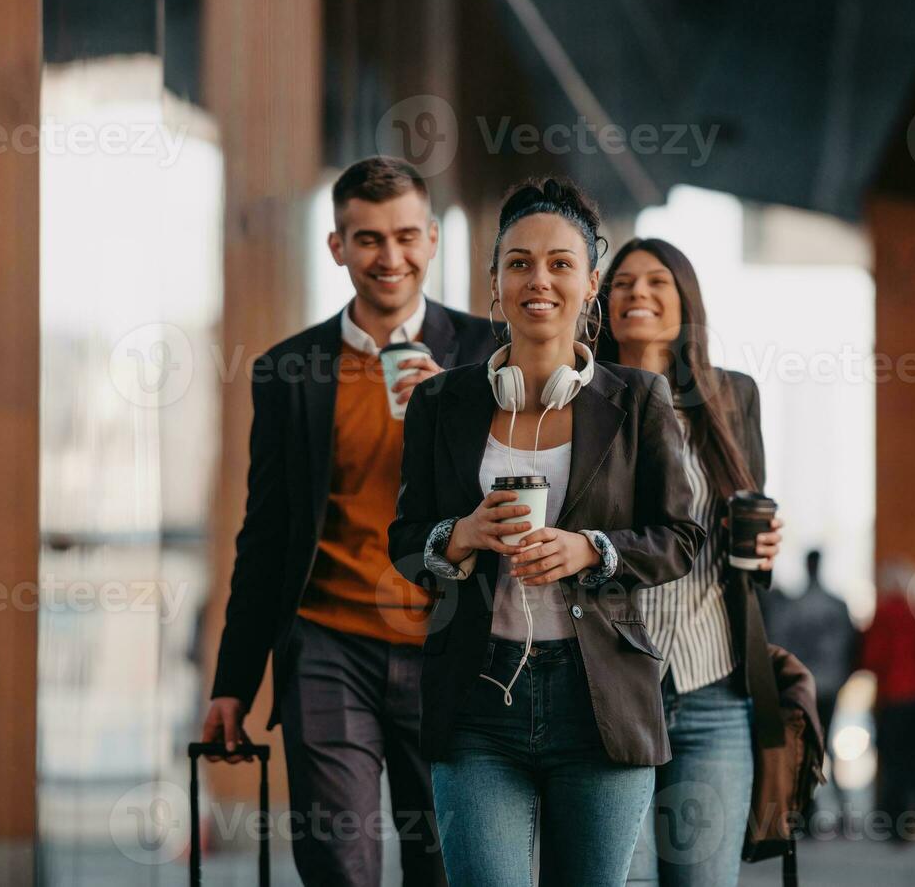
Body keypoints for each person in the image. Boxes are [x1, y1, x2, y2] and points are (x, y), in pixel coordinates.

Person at [389, 178, 702, 886]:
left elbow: (683, 535)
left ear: (591, 283)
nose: (540, 279)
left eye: (561, 263)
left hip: (601, 704)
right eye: (520, 262)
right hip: (476, 699)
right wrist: (461, 535)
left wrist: (592, 548)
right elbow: (405, 540)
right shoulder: (441, 403)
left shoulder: (639, 401)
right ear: (494, 282)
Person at [202, 156, 496, 887]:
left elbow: (524, 493)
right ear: (338, 247)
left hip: (448, 643)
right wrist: (232, 683)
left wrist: (454, 411)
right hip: (329, 646)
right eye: (367, 239)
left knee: (449, 862)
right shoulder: (287, 370)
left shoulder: (488, 354)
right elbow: (263, 536)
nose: (388, 258)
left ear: (430, 239)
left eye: (404, 237)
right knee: (338, 862)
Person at [597, 237, 783, 887]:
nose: (637, 294)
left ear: (685, 304)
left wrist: (762, 550)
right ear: (603, 301)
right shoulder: (580, 401)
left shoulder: (733, 399)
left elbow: (744, 538)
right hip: (610, 693)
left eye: (656, 282)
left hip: (714, 691)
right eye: (622, 283)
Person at [762, 549, 858, 818]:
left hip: (805, 685)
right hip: (827, 683)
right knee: (823, 744)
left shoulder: (795, 607)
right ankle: (837, 809)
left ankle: (808, 809)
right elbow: (851, 646)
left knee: (807, 745)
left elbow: (778, 643)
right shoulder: (835, 605)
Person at [859, 559, 915, 839]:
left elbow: (873, 657)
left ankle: (894, 820)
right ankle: (912, 817)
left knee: (893, 761)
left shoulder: (884, 614)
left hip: (894, 698)